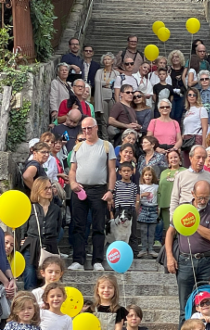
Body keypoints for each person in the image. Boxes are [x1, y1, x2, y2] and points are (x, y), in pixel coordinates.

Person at [166, 180, 210, 327]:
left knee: (206, 304)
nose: (203, 201)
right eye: (200, 197)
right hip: (185, 261)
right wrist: (170, 257)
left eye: (206, 197)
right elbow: (170, 233)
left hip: (207, 261)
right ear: (192, 194)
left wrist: (192, 222)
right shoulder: (183, 209)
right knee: (185, 307)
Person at [68, 117, 116, 271]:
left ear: (96, 128)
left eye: (89, 128)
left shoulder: (107, 146)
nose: (87, 131)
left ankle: (97, 260)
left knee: (98, 226)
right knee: (78, 226)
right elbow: (72, 170)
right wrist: (73, 183)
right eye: (84, 129)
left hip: (99, 190)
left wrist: (110, 191)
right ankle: (78, 261)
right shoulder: (77, 147)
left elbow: (111, 171)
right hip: (80, 190)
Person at [20, 177, 61, 290]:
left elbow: (57, 230)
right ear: (37, 189)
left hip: (49, 247)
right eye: (45, 188)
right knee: (30, 278)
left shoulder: (56, 209)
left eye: (50, 188)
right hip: (31, 247)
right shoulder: (30, 208)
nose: (49, 190)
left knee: (49, 284)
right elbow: (24, 229)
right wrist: (24, 240)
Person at [169, 146, 210, 218]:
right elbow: (175, 199)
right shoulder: (181, 176)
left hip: (204, 216)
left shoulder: (209, 176)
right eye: (198, 157)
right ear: (190, 158)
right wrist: (173, 219)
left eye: (203, 158)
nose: (201, 161)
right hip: (185, 215)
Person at [158, 150, 186, 234]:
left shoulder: (185, 171)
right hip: (165, 205)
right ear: (168, 160)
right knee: (169, 230)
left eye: (175, 157)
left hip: (181, 205)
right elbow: (160, 189)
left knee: (180, 230)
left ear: (179, 158)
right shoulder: (163, 173)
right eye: (171, 158)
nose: (173, 159)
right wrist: (158, 205)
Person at [94, 52, 120, 140]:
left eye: (108, 59)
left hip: (112, 96)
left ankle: (112, 138)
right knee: (104, 120)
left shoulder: (116, 73)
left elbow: (118, 84)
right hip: (102, 97)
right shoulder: (99, 71)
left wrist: (105, 84)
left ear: (112, 61)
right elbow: (97, 82)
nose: (106, 61)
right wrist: (107, 83)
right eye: (105, 59)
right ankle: (105, 138)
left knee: (112, 119)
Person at [182, 88, 208, 168]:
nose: (192, 97)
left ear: (197, 97)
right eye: (190, 95)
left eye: (194, 95)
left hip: (196, 138)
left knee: (196, 163)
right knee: (187, 164)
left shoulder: (201, 109)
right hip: (187, 139)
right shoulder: (187, 111)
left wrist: (203, 144)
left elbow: (205, 127)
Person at [137, 167, 159, 258]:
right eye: (146, 175)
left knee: (151, 231)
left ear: (153, 176)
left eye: (150, 175)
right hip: (143, 209)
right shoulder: (140, 187)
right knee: (143, 230)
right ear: (143, 176)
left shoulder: (156, 187)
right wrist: (142, 195)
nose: (148, 177)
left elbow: (159, 197)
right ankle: (143, 249)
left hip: (153, 209)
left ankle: (151, 249)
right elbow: (137, 198)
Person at [168, 50, 187, 124]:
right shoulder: (169, 69)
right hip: (171, 94)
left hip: (181, 94)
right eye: (173, 57)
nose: (175, 59)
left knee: (179, 115)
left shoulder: (184, 70)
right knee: (171, 114)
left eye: (177, 57)